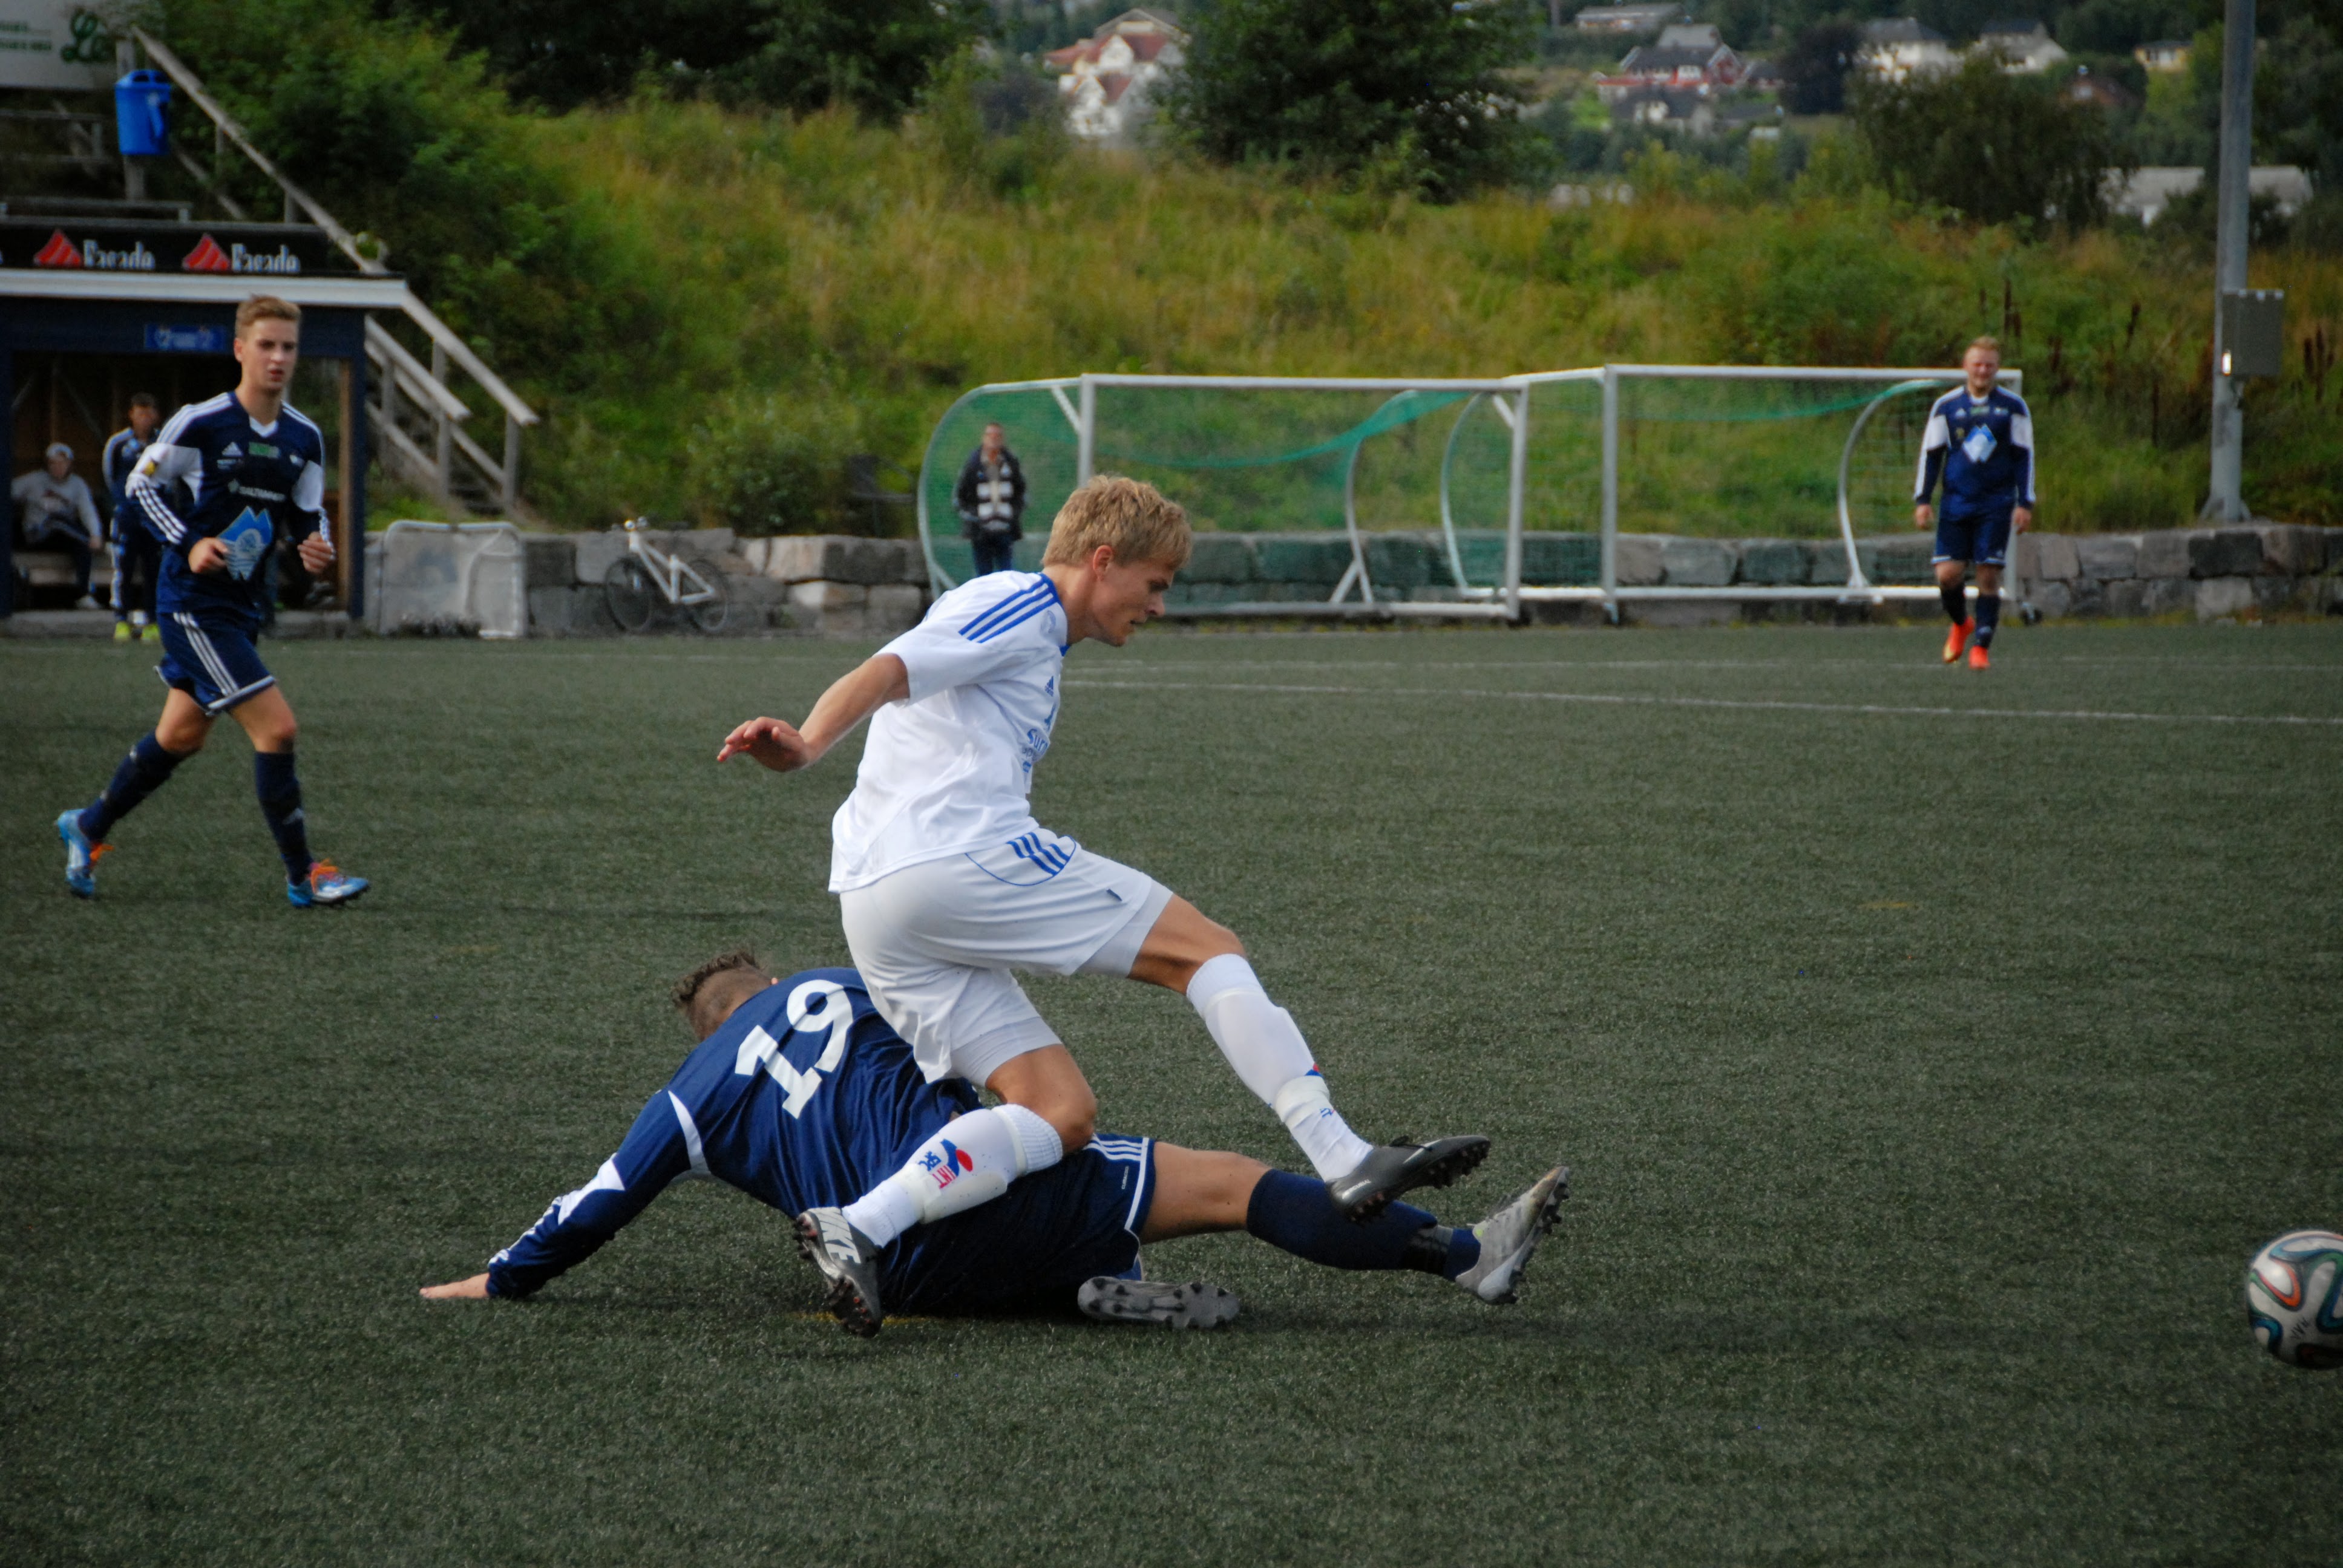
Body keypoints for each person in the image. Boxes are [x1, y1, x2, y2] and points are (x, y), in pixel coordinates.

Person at [718, 474, 1486, 1336]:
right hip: (953, 858)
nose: (1158, 607)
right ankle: (1341, 1153)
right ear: (1102, 559)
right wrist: (809, 743)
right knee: (1207, 949)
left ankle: (859, 1227)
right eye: (1154, 584)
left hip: (874, 902)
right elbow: (889, 669)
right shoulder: (1020, 602)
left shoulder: (1032, 633)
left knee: (1059, 1112)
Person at [418, 952, 1567, 1334]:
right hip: (966, 1190)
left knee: (990, 1240)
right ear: (763, 980)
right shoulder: (843, 981)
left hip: (901, 1280)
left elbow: (594, 1205)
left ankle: (1079, 1291)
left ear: (708, 1027)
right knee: (1231, 1186)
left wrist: (499, 1278)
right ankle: (1469, 1256)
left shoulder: (685, 1102)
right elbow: (975, 1052)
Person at [54, 296, 368, 909]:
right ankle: (304, 874)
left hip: (240, 609)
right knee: (277, 727)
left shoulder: (304, 437)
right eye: (266, 345)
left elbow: (307, 514)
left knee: (180, 736)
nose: (278, 357)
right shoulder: (202, 423)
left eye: (288, 347)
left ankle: (88, 826)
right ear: (240, 349)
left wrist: (317, 545)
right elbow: (138, 487)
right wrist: (190, 541)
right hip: (191, 604)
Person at [1915, 336, 2034, 671]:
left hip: (1996, 503)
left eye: (1989, 365)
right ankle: (1961, 624)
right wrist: (1923, 499)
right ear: (1966, 366)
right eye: (1977, 364)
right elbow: (1931, 455)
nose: (1983, 371)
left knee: (1988, 575)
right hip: (1956, 502)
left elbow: (2024, 456)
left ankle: (1981, 647)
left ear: (1997, 368)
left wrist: (2025, 502)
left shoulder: (2012, 407)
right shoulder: (1947, 406)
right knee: (1947, 575)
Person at [11, 442, 104, 609]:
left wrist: (95, 534)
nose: (58, 467)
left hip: (63, 536)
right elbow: (9, 490)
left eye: (62, 463)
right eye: (53, 463)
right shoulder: (34, 480)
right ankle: (89, 541)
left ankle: (84, 595)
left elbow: (88, 511)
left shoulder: (77, 484)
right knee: (57, 521)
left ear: (70, 464)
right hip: (37, 535)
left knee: (81, 546)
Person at [103, 393, 165, 644]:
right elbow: (110, 476)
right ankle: (121, 620)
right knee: (123, 570)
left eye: (149, 414)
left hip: (155, 519)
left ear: (156, 416)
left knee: (154, 571)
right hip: (127, 518)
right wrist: (123, 504)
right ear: (131, 415)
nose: (145, 419)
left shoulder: (163, 442)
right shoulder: (118, 443)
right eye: (140, 413)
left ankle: (152, 621)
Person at [954, 420, 1027, 575]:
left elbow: (1021, 492)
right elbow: (960, 496)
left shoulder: (1010, 463)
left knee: (1007, 574)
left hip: (1005, 529)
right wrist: (974, 516)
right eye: (990, 435)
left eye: (997, 436)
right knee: (983, 575)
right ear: (984, 438)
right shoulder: (973, 465)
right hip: (981, 531)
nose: (993, 439)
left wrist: (1013, 513)